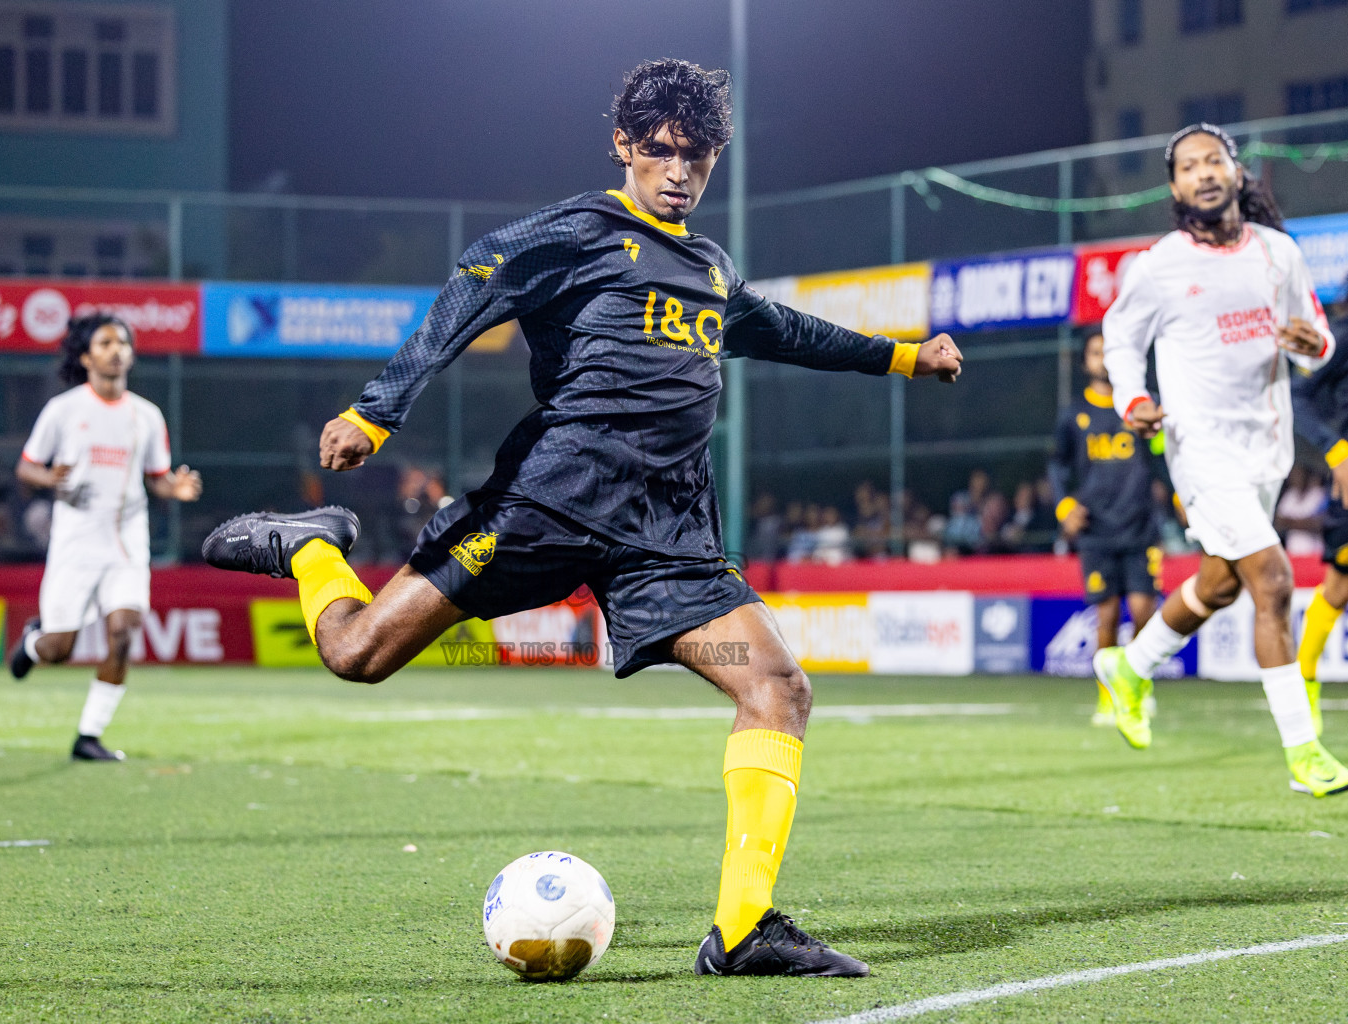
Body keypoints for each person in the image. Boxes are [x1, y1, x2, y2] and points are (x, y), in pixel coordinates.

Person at [202, 59, 963, 977]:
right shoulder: (579, 230)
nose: (678, 171)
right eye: (660, 152)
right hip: (547, 503)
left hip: (666, 534)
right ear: (624, 146)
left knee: (777, 688)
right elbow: (469, 289)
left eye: (698, 156)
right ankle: (313, 548)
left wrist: (903, 359)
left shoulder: (710, 270)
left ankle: (744, 927)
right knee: (356, 652)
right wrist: (376, 410)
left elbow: (783, 330)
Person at [1096, 122, 1348, 797]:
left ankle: (1130, 667)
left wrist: (1315, 347)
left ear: (1237, 173)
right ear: (1176, 186)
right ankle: (1305, 755)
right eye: (1189, 166)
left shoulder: (1277, 252)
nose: (1204, 172)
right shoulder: (1159, 264)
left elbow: (1317, 339)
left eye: (1215, 160)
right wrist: (1132, 399)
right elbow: (1120, 338)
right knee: (1270, 580)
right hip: (1199, 446)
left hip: (1264, 447)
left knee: (1219, 583)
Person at [7, 314, 203, 761]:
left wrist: (174, 487)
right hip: (75, 545)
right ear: (86, 355)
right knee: (60, 649)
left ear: (131, 355)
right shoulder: (64, 410)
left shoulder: (147, 415)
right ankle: (32, 645)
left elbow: (157, 478)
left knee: (123, 632)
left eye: (123, 343)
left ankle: (88, 736)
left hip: (128, 544)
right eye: (105, 342)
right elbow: (26, 467)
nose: (116, 350)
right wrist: (48, 477)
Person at [1050, 332, 1163, 727]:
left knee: (1145, 610)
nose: (1102, 359)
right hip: (1096, 529)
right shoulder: (1074, 415)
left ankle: (1140, 689)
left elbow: (1162, 454)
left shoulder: (1138, 408)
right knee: (1108, 614)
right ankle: (1107, 699)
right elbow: (1057, 467)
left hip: (1140, 525)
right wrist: (1064, 505)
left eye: (1108, 351)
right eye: (1096, 353)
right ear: (1086, 362)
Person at [1291, 260, 1348, 738]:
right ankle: (1304, 688)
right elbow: (1297, 398)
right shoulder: (1344, 337)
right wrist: (1336, 449)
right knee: (1339, 585)